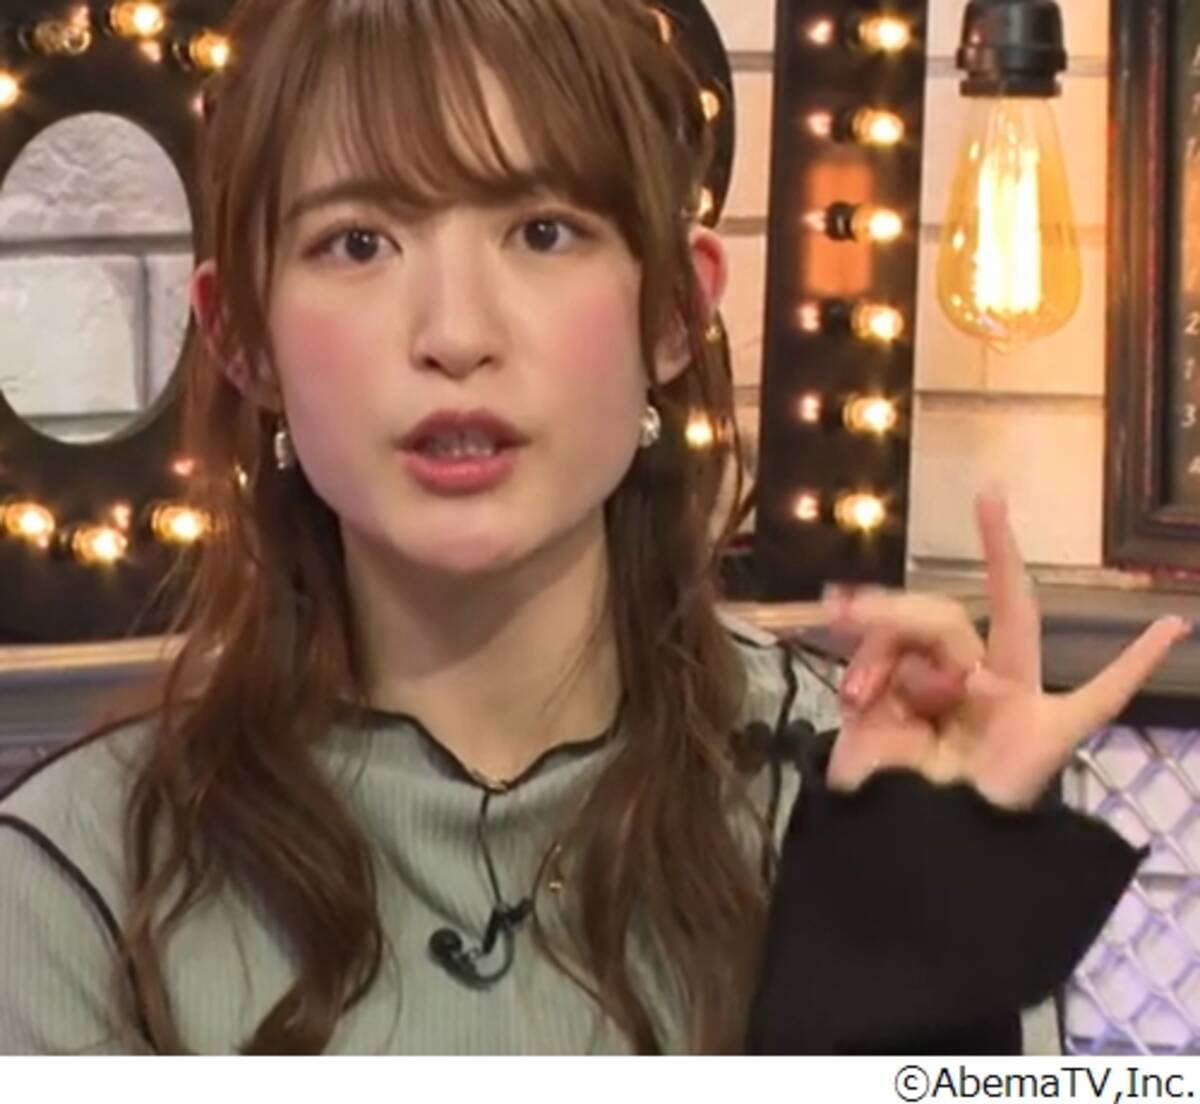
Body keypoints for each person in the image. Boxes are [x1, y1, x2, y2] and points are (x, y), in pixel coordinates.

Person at [0, 0, 1186, 1056]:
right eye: (359, 242)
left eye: (542, 232)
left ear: (675, 308)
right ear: (240, 337)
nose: (455, 333)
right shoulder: (78, 886)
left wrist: (904, 956)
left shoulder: (868, 795)